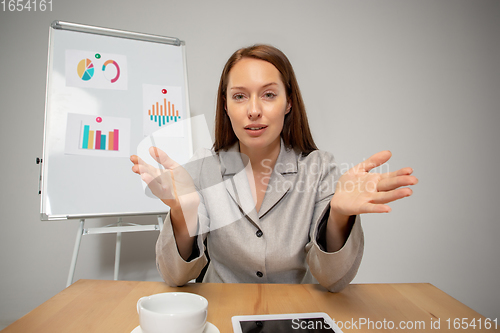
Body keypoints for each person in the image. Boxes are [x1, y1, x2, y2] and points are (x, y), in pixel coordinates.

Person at [130, 45, 417, 292]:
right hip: (223, 313)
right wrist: (183, 213)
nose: (253, 110)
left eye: (268, 95)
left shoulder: (319, 168)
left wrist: (339, 216)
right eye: (240, 96)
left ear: (288, 102)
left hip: (294, 318)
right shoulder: (204, 167)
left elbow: (334, 280)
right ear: (226, 106)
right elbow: (175, 277)